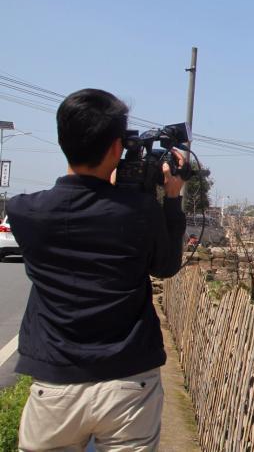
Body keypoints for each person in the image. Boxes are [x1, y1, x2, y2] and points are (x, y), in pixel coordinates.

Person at [6, 88, 186, 451]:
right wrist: (171, 197)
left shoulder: (25, 212)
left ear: (62, 140)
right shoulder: (140, 212)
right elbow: (165, 266)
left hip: (55, 384)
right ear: (116, 148)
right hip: (129, 381)